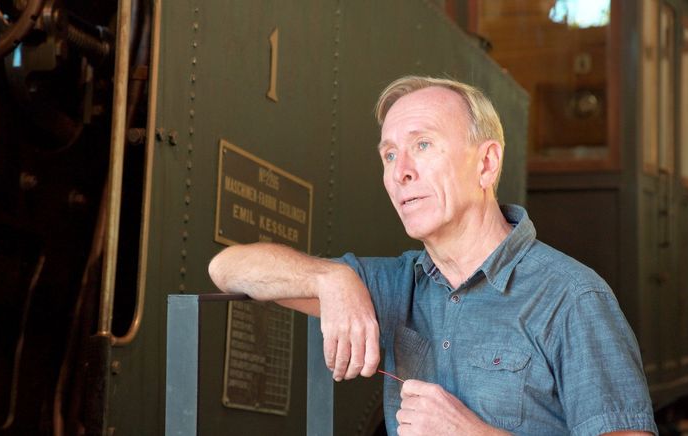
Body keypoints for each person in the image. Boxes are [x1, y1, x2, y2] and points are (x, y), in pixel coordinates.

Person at [208, 76, 657, 435]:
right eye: (388, 154)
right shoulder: (396, 286)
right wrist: (331, 279)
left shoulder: (571, 297)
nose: (400, 171)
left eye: (423, 145)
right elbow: (227, 268)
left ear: (486, 164)